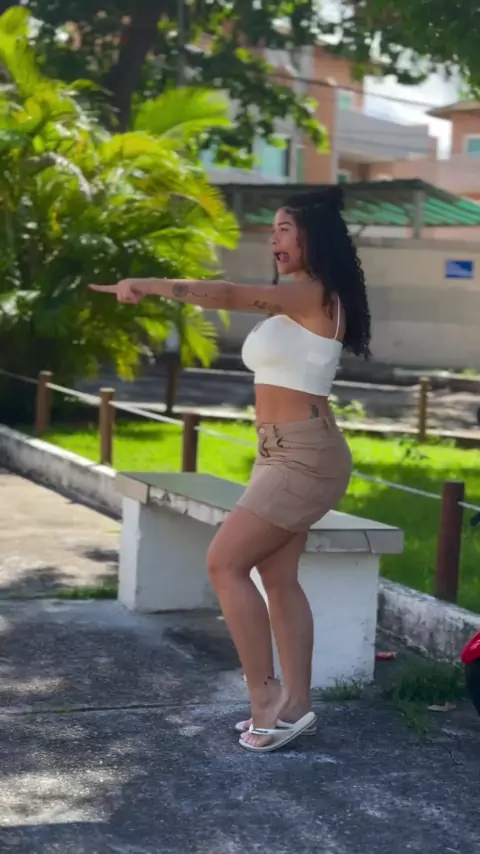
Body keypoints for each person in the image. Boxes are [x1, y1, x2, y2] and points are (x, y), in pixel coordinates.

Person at [90, 186, 371, 753]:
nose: (274, 239)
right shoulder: (302, 294)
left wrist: (148, 284)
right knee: (277, 576)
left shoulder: (313, 292)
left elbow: (225, 294)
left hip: (305, 455)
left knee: (224, 562)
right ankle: (296, 705)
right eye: (273, 230)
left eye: (285, 229)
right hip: (279, 452)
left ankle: (265, 695)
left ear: (313, 236)